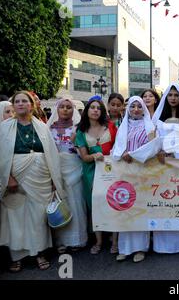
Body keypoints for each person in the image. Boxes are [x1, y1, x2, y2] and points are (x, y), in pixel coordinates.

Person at [0, 90, 66, 272]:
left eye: (24, 101)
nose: (20, 104)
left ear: (31, 105)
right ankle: (17, 256)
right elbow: (1, 157)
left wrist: (52, 179)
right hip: (15, 177)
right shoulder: (5, 127)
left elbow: (51, 154)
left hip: (41, 177)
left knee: (38, 217)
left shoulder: (41, 127)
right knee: (15, 217)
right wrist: (9, 177)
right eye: (17, 101)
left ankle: (39, 253)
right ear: (13, 105)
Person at [111, 96, 161, 262]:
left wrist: (134, 155)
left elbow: (154, 146)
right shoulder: (123, 126)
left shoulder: (150, 126)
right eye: (133, 106)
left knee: (141, 207)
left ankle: (140, 248)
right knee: (125, 207)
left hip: (143, 170)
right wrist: (122, 154)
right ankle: (125, 248)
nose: (136, 109)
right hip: (126, 171)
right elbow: (116, 149)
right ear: (128, 109)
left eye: (140, 107)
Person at [151, 83, 179, 254]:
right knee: (163, 197)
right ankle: (162, 244)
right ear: (166, 97)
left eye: (176, 95)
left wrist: (177, 153)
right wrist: (161, 150)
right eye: (170, 95)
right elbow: (154, 137)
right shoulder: (158, 115)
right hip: (162, 158)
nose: (173, 98)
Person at [74, 97, 118, 255]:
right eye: (92, 107)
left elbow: (118, 148)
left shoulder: (111, 127)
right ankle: (99, 241)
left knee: (114, 203)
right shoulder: (81, 132)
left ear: (102, 111)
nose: (95, 110)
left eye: (98, 108)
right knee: (95, 206)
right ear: (87, 111)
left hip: (111, 171)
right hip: (91, 173)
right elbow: (84, 157)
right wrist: (94, 156)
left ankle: (115, 240)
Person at [47, 96, 88, 253]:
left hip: (75, 168)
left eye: (69, 107)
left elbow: (83, 151)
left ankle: (77, 240)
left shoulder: (79, 129)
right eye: (62, 106)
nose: (65, 109)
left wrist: (74, 142)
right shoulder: (48, 129)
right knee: (60, 203)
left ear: (73, 110)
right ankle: (61, 241)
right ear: (57, 109)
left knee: (76, 203)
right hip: (56, 169)